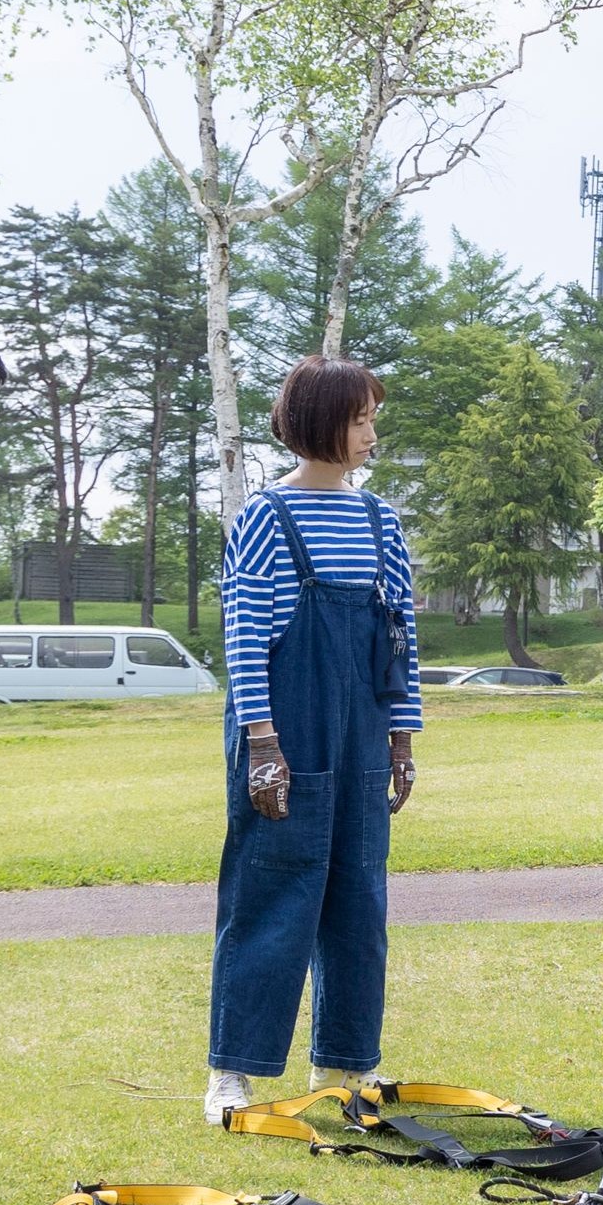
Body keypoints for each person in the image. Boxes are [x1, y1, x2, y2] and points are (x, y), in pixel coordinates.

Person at [204, 356, 423, 1124]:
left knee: (358, 901)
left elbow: (400, 637)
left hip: (362, 731)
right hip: (284, 732)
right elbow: (245, 638)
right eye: (360, 417)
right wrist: (262, 743)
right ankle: (234, 1070)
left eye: (372, 417)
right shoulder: (267, 517)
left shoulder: (379, 520)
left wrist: (402, 737)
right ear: (320, 421)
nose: (371, 432)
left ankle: (350, 1064)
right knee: (270, 897)